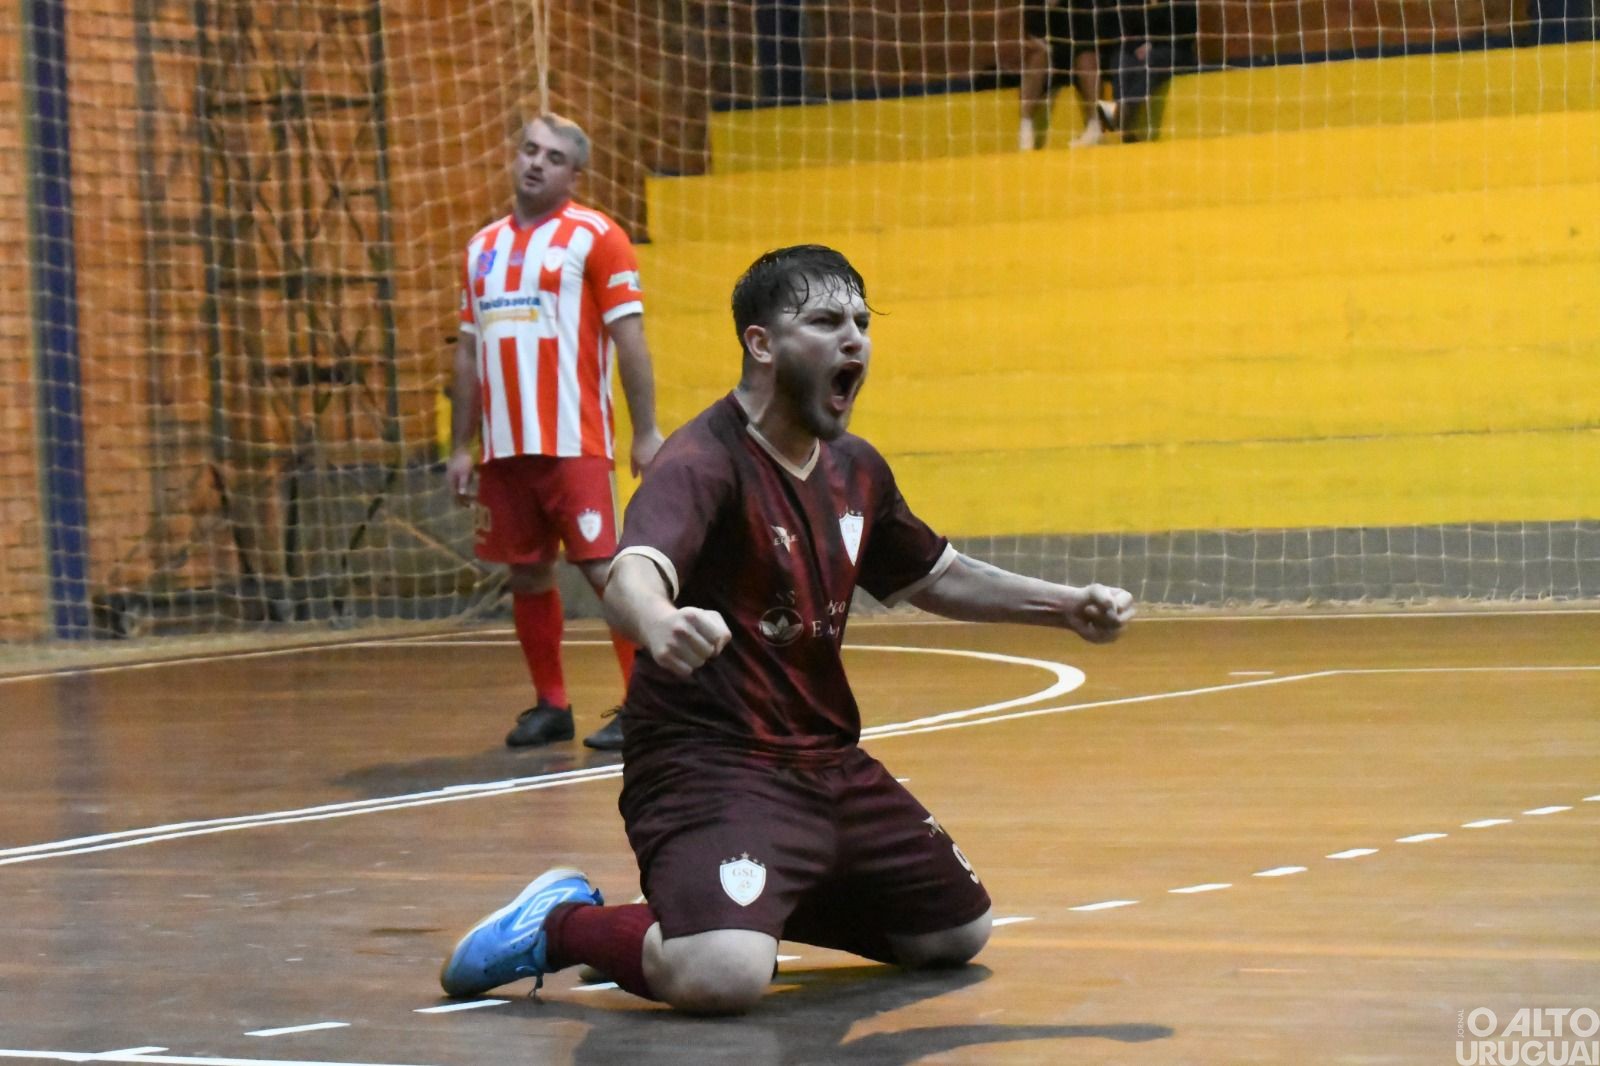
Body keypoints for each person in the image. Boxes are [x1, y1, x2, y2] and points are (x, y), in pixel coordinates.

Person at [437, 244, 1135, 1014]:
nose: (855, 340)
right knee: (723, 978)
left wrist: (1064, 606)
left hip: (827, 765)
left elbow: (936, 574)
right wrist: (660, 623)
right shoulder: (702, 461)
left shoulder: (856, 468)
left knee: (953, 935)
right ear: (760, 343)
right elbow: (635, 571)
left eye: (863, 323)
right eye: (827, 321)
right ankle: (564, 924)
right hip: (710, 768)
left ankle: (707, 916)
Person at [448, 114, 665, 752]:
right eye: (529, 150)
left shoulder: (598, 237)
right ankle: (552, 705)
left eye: (553, 156)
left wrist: (646, 431)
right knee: (527, 574)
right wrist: (460, 446)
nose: (536, 163)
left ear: (575, 174)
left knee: (606, 572)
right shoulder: (479, 248)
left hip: (574, 442)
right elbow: (467, 353)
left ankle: (644, 705)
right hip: (503, 450)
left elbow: (630, 339)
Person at [1019, 0, 1121, 149]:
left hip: (1079, 50)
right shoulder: (1036, 5)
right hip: (1052, 54)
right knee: (1036, 58)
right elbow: (1033, 37)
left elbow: (1088, 38)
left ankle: (1095, 126)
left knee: (1087, 58)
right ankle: (1025, 128)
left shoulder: (1083, 6)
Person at [1108, 0, 1199, 143]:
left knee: (1154, 59)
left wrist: (1152, 45)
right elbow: (1126, 28)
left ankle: (1122, 114)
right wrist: (1137, 46)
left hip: (1176, 49)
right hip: (1142, 48)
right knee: (1121, 59)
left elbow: (1185, 30)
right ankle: (1124, 123)